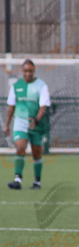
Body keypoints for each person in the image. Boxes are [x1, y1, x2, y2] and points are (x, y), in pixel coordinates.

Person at [4, 59, 50, 190]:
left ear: (34, 71)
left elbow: (43, 106)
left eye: (30, 71)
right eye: (25, 71)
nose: (28, 73)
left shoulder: (42, 86)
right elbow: (11, 106)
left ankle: (37, 182)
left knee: (36, 152)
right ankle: (17, 180)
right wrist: (7, 124)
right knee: (20, 147)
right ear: (22, 71)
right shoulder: (16, 86)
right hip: (20, 122)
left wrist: (36, 120)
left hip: (36, 124)